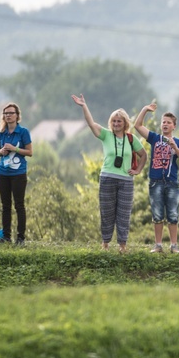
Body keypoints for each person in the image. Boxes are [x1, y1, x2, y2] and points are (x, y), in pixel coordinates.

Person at [72, 93, 147, 252]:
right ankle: (105, 243)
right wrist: (84, 106)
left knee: (124, 214)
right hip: (107, 178)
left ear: (125, 123)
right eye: (114, 121)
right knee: (106, 212)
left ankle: (122, 245)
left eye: (119, 121)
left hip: (126, 180)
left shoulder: (131, 139)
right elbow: (91, 123)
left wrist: (138, 170)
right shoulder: (105, 134)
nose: (116, 123)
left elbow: (144, 155)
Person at [135, 101, 179, 253]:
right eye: (163, 122)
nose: (165, 124)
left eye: (168, 122)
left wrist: (175, 148)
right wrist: (145, 109)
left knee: (173, 214)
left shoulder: (178, 142)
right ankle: (158, 245)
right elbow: (138, 126)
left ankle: (174, 245)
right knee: (157, 213)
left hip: (172, 182)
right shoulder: (155, 138)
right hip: (155, 181)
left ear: (174, 126)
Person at [0, 102, 33, 245]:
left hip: (18, 174)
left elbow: (30, 152)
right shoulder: (0, 133)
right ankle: (6, 236)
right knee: (5, 205)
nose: (8, 115)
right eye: (6, 113)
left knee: (19, 205)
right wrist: (1, 152)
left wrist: (14, 149)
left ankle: (21, 238)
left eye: (11, 113)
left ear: (17, 116)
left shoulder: (23, 132)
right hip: (3, 173)